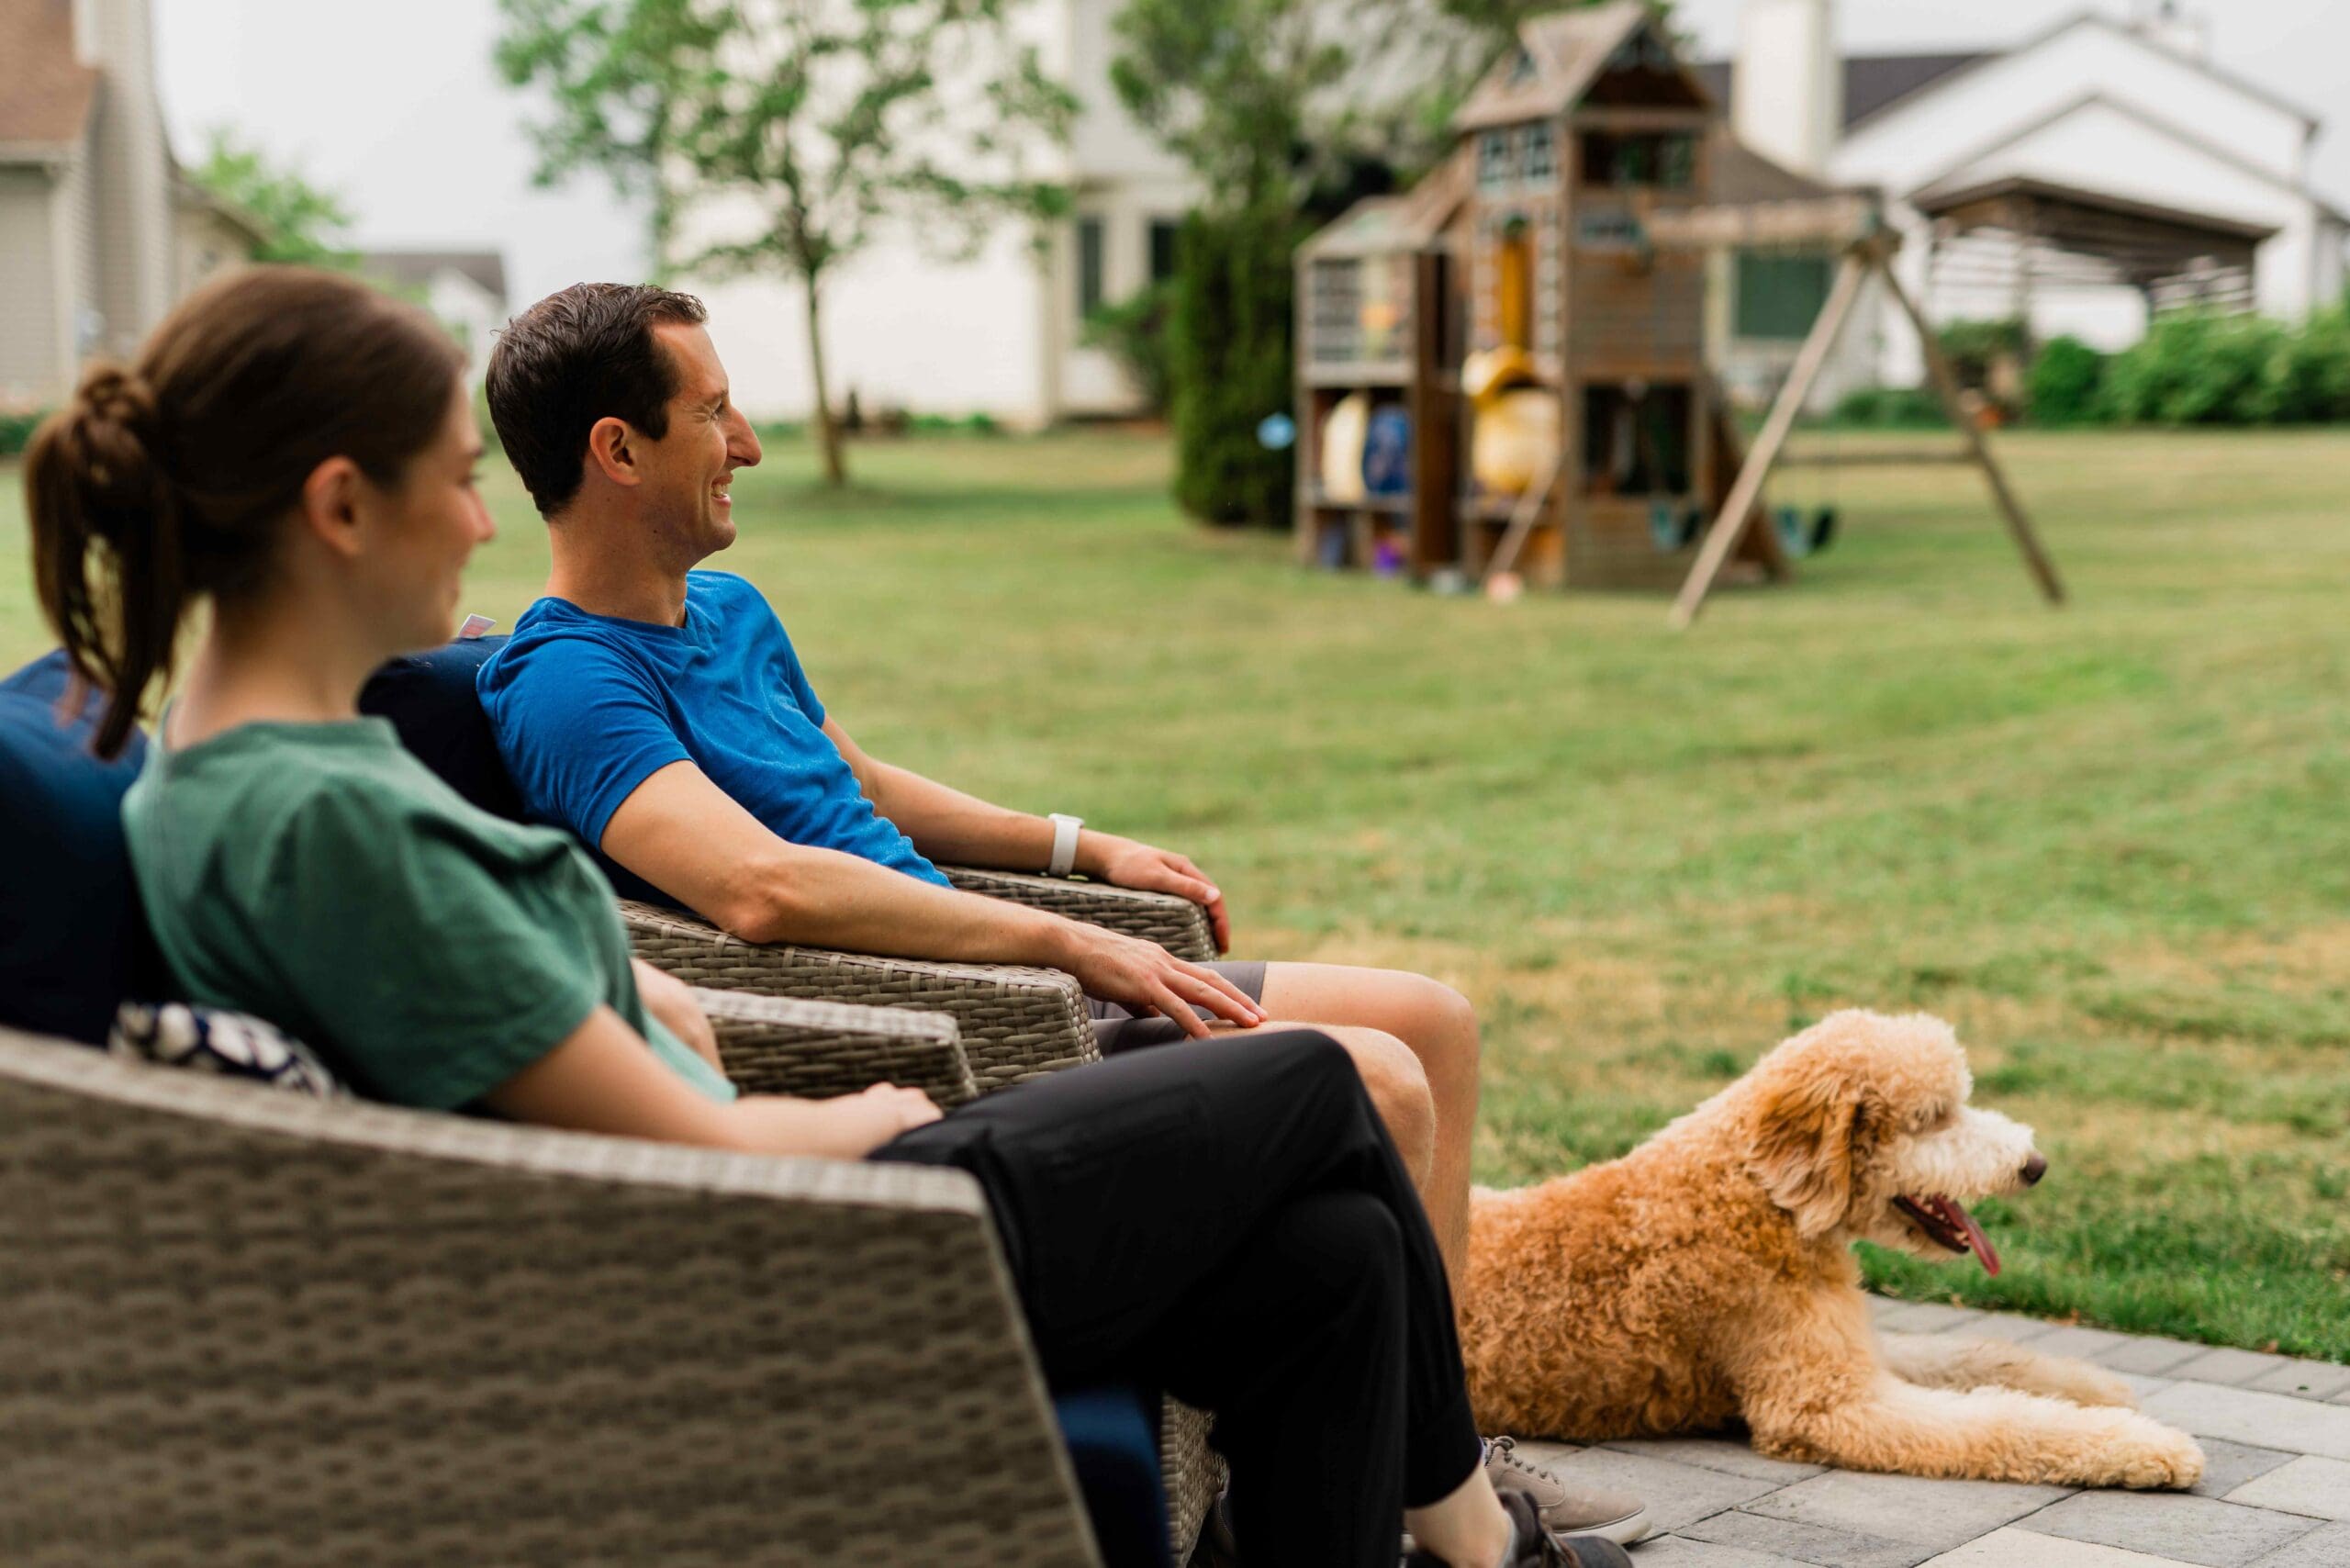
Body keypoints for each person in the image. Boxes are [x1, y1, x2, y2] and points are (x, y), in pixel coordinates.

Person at [25, 264, 1628, 1568]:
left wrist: (654, 1011)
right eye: (454, 482)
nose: (482, 521)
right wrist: (870, 1105)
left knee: (1340, 1253)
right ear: (340, 508)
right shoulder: (316, 819)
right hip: (783, 1258)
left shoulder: (256, 780)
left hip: (758, 1215)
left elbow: (563, 1031)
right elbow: (691, 1145)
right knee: (1308, 1083)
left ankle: (1455, 1542)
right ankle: (1484, 1555)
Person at [475, 285, 1647, 1543]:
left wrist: (1082, 849)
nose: (749, 443)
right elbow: (758, 889)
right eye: (713, 413)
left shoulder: (729, 613)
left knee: (1434, 1021)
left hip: (1003, 963)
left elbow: (858, 788)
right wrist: (1063, 934)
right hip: (959, 1024)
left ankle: (1447, 1450)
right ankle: (1430, 1509)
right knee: (1377, 1079)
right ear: (617, 450)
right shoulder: (565, 682)